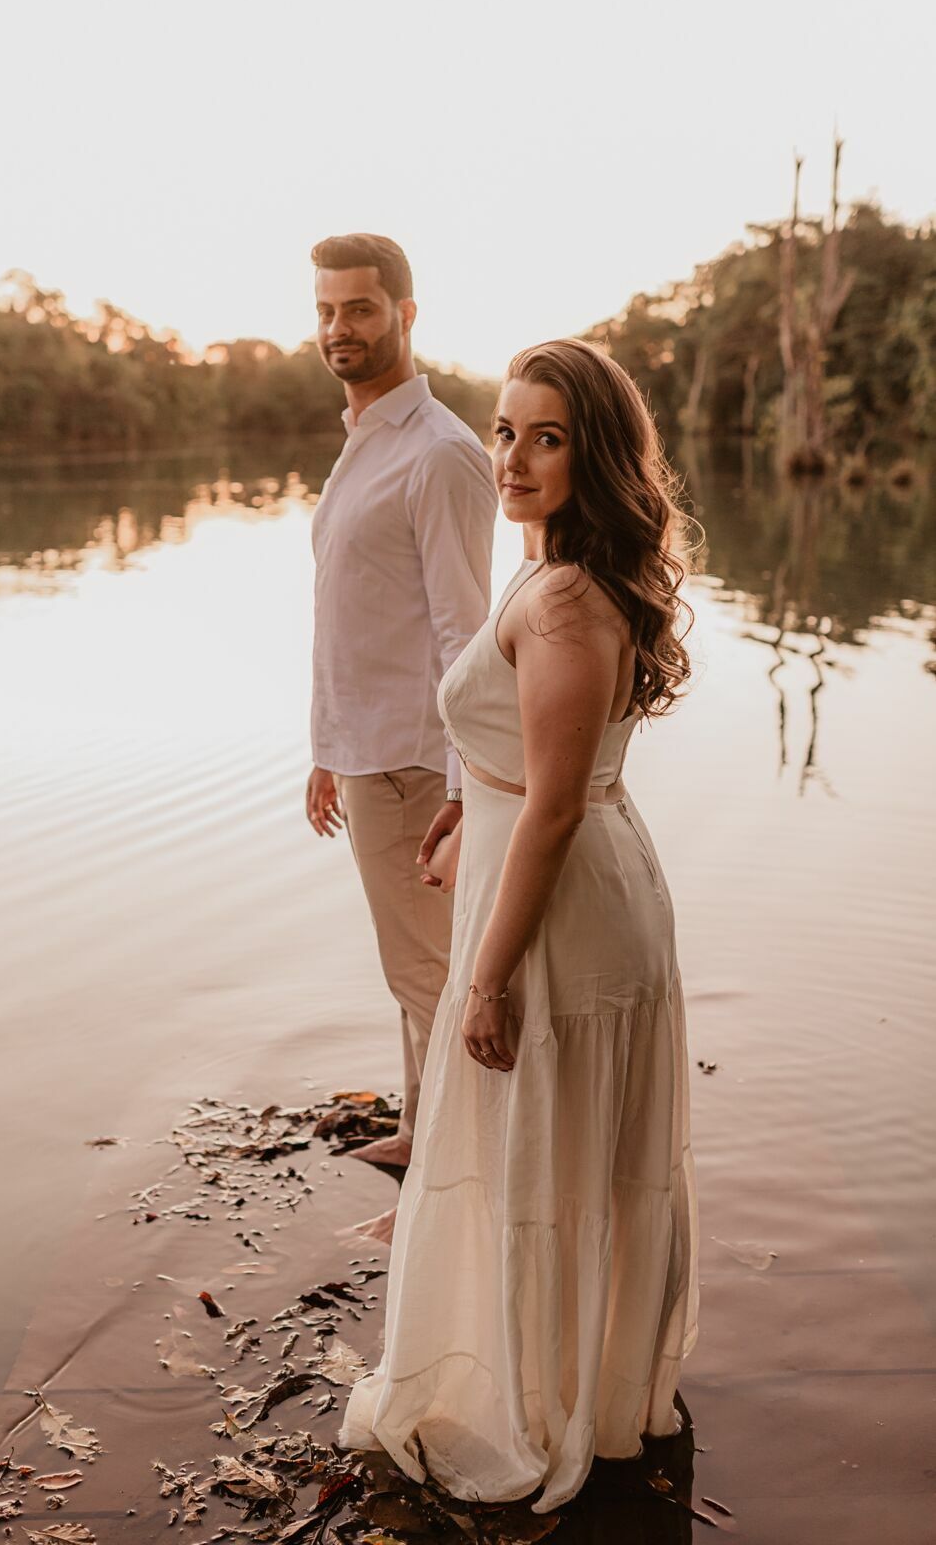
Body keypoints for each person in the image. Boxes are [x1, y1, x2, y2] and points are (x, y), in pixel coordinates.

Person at [339, 339, 699, 1512]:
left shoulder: (563, 600)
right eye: (504, 430)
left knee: (542, 1146)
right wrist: (459, 815)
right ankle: (578, 1380)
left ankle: (547, 1406)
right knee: (556, 1151)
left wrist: (483, 981)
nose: (513, 457)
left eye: (547, 437)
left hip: (564, 907)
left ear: (593, 455)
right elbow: (528, 769)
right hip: (569, 869)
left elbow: (552, 805)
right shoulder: (558, 573)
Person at [306, 233, 498, 1180]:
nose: (340, 328)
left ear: (406, 314)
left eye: (361, 309)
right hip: (366, 753)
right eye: (327, 310)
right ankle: (426, 1138)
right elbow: (356, 618)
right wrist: (324, 748)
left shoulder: (441, 455)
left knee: (429, 976)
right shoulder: (366, 444)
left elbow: (465, 638)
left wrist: (463, 791)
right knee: (413, 973)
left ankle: (462, 1174)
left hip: (417, 763)